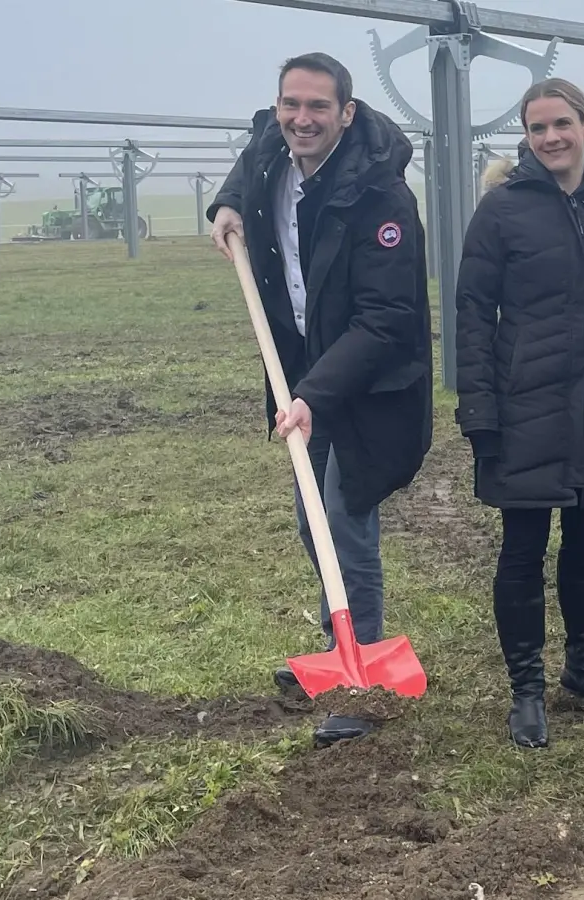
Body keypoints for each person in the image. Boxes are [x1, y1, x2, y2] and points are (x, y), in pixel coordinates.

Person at [208, 52, 433, 746]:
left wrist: (314, 393)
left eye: (317, 107)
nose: (301, 119)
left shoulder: (382, 197)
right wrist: (225, 203)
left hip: (370, 385)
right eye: (291, 104)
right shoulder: (273, 150)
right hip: (305, 370)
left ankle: (360, 672)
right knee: (312, 520)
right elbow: (252, 154)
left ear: (347, 113)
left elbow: (386, 320)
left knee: (344, 515)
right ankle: (339, 643)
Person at [452, 77, 584, 749]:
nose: (550, 138)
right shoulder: (501, 209)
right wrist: (479, 411)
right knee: (522, 549)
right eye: (537, 128)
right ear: (526, 136)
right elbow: (472, 315)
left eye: (561, 124)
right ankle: (526, 689)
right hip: (524, 406)